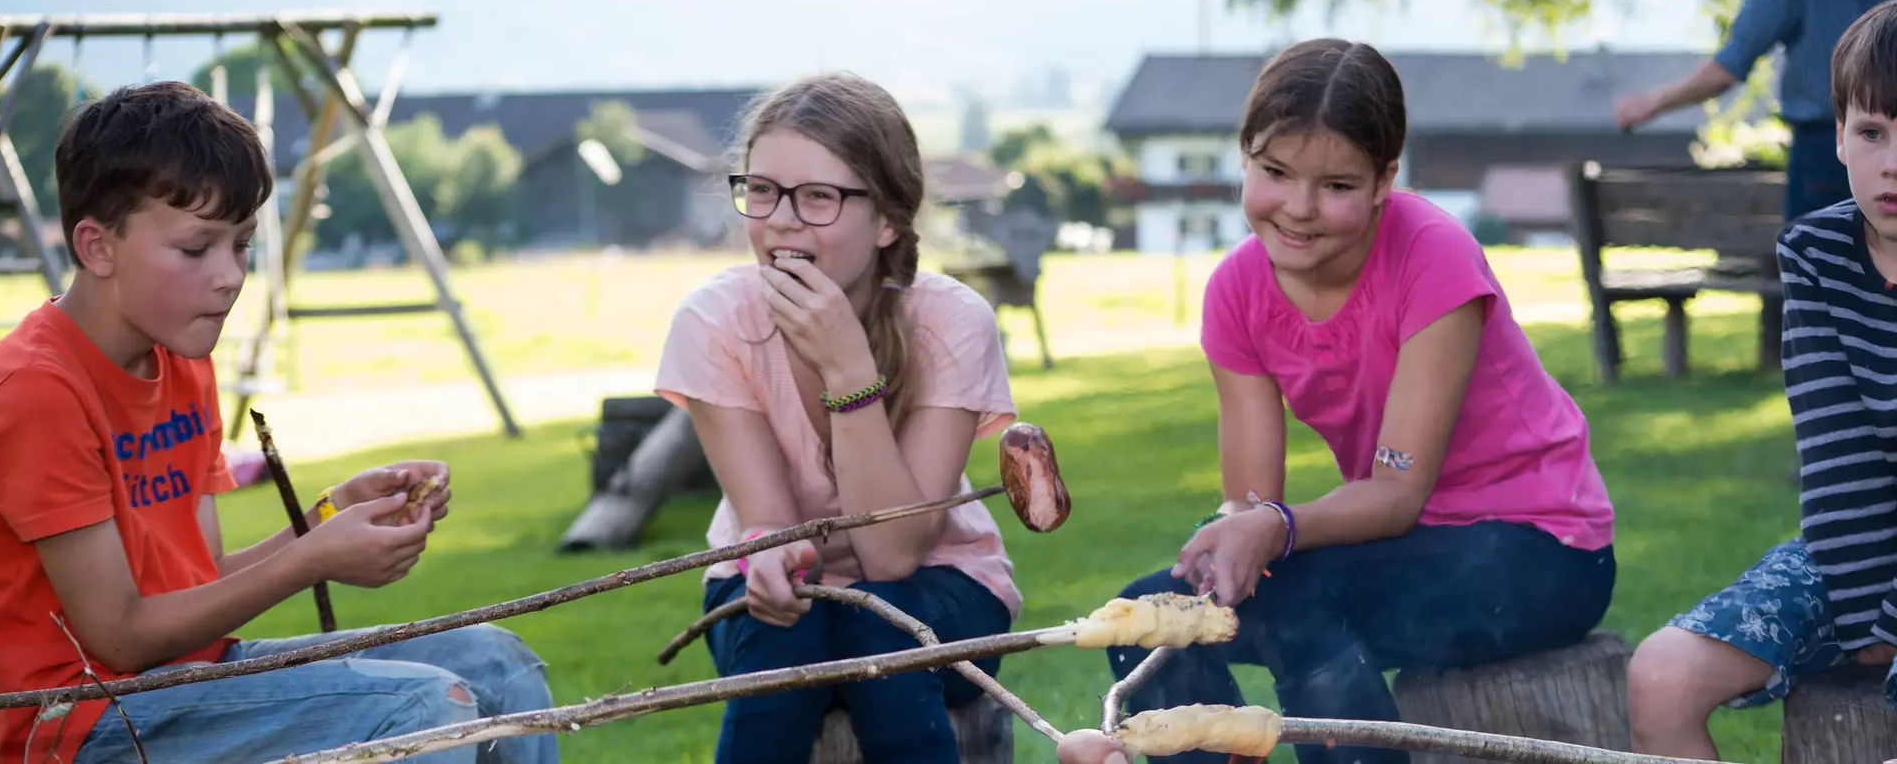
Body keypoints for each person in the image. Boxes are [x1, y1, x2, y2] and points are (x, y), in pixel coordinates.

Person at [0, 81, 557, 764]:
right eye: (197, 249)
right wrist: (314, 557)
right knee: (420, 707)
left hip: (191, 676)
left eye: (242, 244)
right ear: (97, 247)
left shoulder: (182, 353)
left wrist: (327, 514)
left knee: (497, 662)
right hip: (73, 724)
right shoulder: (33, 391)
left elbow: (205, 576)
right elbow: (122, 638)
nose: (229, 277)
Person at [1100, 38, 1618, 764]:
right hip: (1400, 549)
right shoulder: (1237, 291)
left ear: (1384, 180)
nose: (1300, 209)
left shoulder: (1432, 253)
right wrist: (1230, 541)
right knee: (1147, 621)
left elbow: (1397, 491)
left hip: (1540, 548)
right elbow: (1251, 501)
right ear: (1244, 156)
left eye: (1337, 185)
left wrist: (1270, 527)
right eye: (1274, 172)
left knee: (1300, 601)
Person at [652, 71, 1021, 764]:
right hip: (767, 590)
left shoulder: (950, 322)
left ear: (887, 219)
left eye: (818, 196)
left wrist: (850, 371)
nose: (781, 219)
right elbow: (769, 522)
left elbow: (890, 553)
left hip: (942, 580)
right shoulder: (714, 322)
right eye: (762, 190)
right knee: (784, 637)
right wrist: (763, 547)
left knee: (878, 631)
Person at [1625, 2, 1897, 760]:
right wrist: (1866, 623)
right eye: (1873, 132)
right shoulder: (1816, 253)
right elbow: (1836, 460)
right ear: (1837, 132)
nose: (1893, 162)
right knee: (1660, 674)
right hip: (1845, 556)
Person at [1613, 0, 1894, 222]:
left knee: (1817, 278)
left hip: (1824, 154)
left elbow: (1729, 65)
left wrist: (1651, 104)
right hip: (1838, 146)